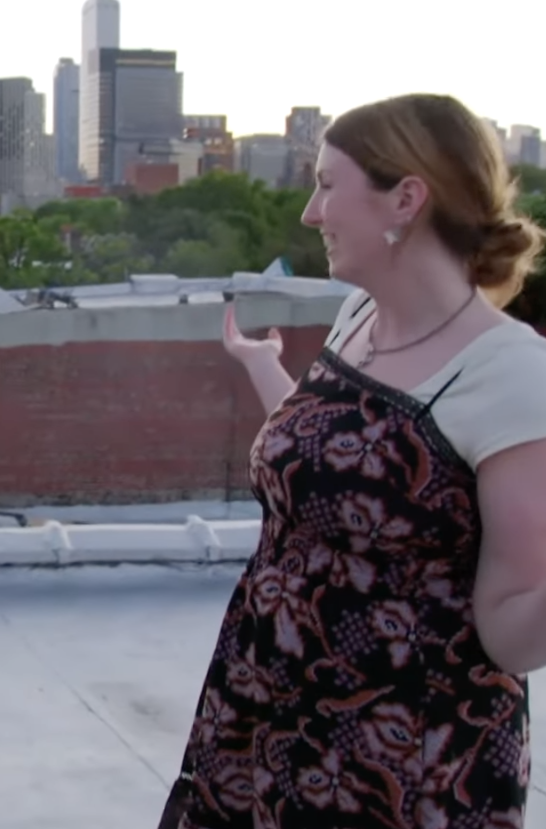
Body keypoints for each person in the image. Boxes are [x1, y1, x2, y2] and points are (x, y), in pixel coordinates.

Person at [160, 93, 546, 829]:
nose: (310, 212)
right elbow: (327, 470)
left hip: (395, 767)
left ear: (405, 198)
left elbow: (509, 635)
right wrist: (258, 368)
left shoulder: (511, 375)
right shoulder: (360, 318)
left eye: (327, 184)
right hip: (261, 715)